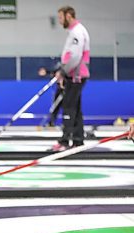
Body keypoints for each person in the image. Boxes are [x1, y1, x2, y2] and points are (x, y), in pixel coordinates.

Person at [50, 6, 90, 151]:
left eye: (61, 17)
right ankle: (78, 140)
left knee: (68, 107)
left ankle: (65, 141)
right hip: (75, 74)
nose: (60, 21)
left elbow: (75, 56)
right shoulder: (74, 31)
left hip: (76, 76)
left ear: (68, 16)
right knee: (75, 108)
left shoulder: (77, 32)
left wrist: (63, 71)